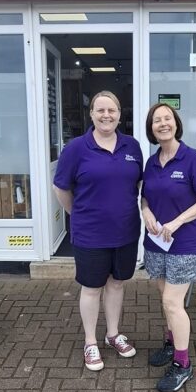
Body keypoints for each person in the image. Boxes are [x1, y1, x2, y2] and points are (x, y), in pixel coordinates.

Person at [53, 90, 143, 371]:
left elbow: (136, 185)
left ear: (119, 114)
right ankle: (90, 342)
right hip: (90, 233)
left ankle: (113, 334)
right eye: (100, 110)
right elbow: (61, 188)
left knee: (117, 283)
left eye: (112, 110)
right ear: (91, 114)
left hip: (126, 231)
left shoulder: (132, 146)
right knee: (92, 287)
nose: (106, 115)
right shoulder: (76, 149)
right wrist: (78, 214)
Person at [141, 103, 196, 392]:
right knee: (165, 299)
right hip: (156, 242)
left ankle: (183, 364)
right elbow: (145, 198)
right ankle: (171, 344)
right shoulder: (151, 162)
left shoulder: (193, 159)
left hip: (185, 243)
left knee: (173, 302)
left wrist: (177, 221)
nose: (162, 124)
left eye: (167, 118)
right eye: (156, 120)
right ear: (151, 128)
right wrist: (145, 211)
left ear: (176, 123)